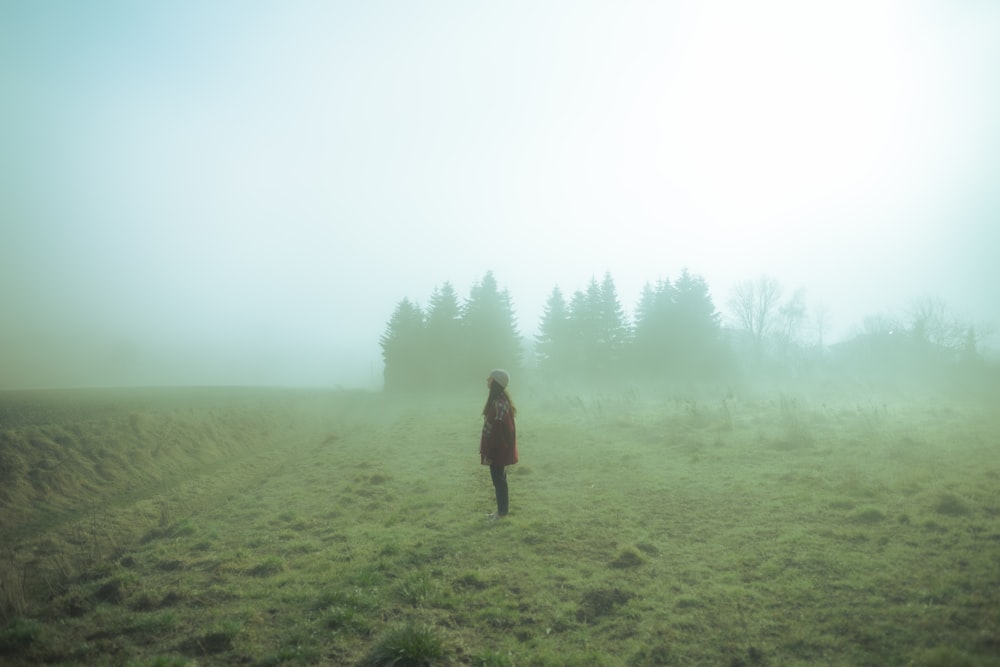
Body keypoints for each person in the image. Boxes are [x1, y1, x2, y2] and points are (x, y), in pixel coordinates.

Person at [480, 368, 518, 519]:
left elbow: (498, 433)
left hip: (498, 451)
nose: (487, 380)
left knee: (499, 482)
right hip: (498, 450)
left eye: (489, 378)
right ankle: (501, 511)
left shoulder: (499, 404)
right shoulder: (498, 401)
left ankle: (502, 513)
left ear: (495, 382)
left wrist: (491, 452)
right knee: (499, 481)